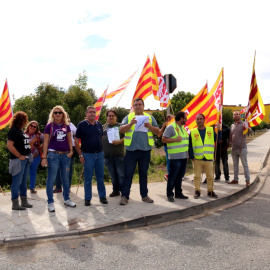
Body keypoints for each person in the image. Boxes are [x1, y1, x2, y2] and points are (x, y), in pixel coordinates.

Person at [119, 98, 160, 205]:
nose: (138, 106)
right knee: (128, 174)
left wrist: (150, 127)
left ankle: (144, 196)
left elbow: (158, 132)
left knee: (143, 174)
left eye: (140, 104)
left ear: (143, 106)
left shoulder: (150, 118)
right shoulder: (128, 117)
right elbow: (121, 130)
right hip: (131, 151)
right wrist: (130, 124)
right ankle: (125, 196)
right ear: (133, 106)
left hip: (145, 150)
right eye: (136, 104)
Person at [41, 106, 76, 212]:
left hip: (65, 156)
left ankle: (67, 199)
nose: (57, 114)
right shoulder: (49, 126)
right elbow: (45, 142)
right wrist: (44, 157)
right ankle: (50, 202)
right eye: (55, 112)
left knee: (65, 178)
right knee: (51, 179)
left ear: (63, 114)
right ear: (53, 114)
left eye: (59, 112)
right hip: (53, 155)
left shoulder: (67, 126)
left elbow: (70, 139)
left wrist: (71, 151)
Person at [75, 106, 107, 206]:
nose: (92, 114)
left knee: (100, 177)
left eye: (94, 112)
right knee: (88, 178)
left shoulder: (99, 124)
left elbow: (100, 137)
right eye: (90, 112)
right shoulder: (82, 125)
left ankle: (102, 197)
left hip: (100, 154)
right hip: (87, 155)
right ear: (86, 114)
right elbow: (76, 140)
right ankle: (87, 198)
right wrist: (80, 155)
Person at [7, 111, 33, 210]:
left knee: (23, 182)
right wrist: (19, 155)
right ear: (22, 120)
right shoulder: (13, 131)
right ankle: (15, 204)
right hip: (18, 160)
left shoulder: (20, 131)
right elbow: (9, 145)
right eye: (24, 119)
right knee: (17, 182)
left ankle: (24, 201)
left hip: (25, 160)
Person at [189, 113, 218, 199]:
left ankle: (210, 191)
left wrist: (218, 130)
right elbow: (190, 145)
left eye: (200, 119)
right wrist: (191, 156)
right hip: (197, 158)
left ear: (204, 120)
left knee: (210, 176)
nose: (199, 120)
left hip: (208, 157)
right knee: (196, 176)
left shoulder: (210, 130)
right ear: (196, 120)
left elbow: (217, 139)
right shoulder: (193, 132)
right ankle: (197, 191)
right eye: (197, 119)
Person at [162, 111, 189, 202]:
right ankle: (169, 194)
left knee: (180, 176)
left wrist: (187, 154)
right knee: (172, 176)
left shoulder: (182, 128)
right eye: (185, 118)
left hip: (183, 156)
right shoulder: (171, 127)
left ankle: (178, 193)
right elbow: (163, 139)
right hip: (175, 157)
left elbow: (185, 141)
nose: (186, 120)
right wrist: (175, 140)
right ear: (181, 118)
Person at [102, 109, 125, 197]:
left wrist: (118, 142)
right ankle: (116, 191)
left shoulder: (121, 126)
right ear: (107, 117)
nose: (111, 117)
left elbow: (127, 138)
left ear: (116, 117)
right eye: (109, 116)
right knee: (113, 175)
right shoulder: (103, 127)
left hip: (119, 155)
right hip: (107, 156)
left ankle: (124, 193)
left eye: (113, 116)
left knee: (121, 175)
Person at [53, 114, 77, 192]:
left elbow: (77, 135)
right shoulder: (55, 125)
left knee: (67, 169)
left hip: (69, 149)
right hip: (58, 149)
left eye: (65, 116)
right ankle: (58, 187)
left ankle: (67, 187)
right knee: (57, 169)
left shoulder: (71, 125)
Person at [228, 111, 250, 186]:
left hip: (242, 148)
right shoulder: (232, 125)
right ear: (233, 116)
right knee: (235, 165)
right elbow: (231, 136)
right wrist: (229, 144)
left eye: (237, 114)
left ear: (240, 116)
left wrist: (248, 128)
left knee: (245, 165)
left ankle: (247, 180)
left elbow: (249, 132)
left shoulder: (244, 124)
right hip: (234, 149)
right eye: (234, 114)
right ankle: (235, 179)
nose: (236, 115)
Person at [25, 121, 44, 194]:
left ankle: (32, 188)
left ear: (36, 128)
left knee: (33, 172)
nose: (32, 127)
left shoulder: (39, 135)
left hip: (36, 156)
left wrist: (41, 147)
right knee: (24, 172)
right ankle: (21, 189)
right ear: (28, 126)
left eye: (34, 127)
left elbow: (46, 140)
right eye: (31, 126)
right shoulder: (23, 134)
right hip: (25, 156)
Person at [158, 114, 174, 181]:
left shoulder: (175, 125)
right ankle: (169, 175)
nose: (173, 119)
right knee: (169, 160)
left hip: (174, 146)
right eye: (171, 118)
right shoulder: (165, 126)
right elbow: (159, 135)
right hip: (167, 146)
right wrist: (163, 127)